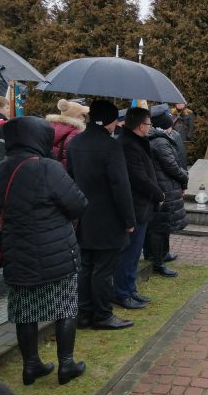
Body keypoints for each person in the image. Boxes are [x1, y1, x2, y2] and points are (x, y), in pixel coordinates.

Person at [0, 116, 88, 386]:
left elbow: (0, 206)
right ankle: (66, 365)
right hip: (55, 250)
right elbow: (77, 204)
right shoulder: (48, 167)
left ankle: (31, 366)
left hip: (16, 252)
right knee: (65, 307)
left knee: (25, 311)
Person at [67, 100, 136, 330]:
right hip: (108, 218)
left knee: (85, 266)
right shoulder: (111, 146)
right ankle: (103, 315)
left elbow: (70, 178)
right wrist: (129, 220)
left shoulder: (75, 143)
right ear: (109, 121)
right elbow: (120, 186)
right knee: (104, 270)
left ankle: (84, 314)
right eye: (115, 119)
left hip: (83, 215)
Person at [113, 107, 165, 309]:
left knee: (134, 253)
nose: (151, 128)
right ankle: (122, 292)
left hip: (142, 205)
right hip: (135, 205)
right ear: (141, 126)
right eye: (149, 124)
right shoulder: (128, 145)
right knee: (129, 252)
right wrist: (158, 194)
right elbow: (139, 177)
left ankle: (130, 288)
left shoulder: (137, 142)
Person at [145, 111, 188, 277]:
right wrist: (185, 176)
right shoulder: (161, 142)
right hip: (164, 187)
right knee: (159, 226)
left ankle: (162, 255)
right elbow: (172, 166)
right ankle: (158, 262)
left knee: (163, 225)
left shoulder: (159, 139)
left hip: (165, 186)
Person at [45, 99, 89, 169]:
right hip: (68, 172)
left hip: (50, 169)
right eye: (83, 115)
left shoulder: (49, 127)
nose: (84, 118)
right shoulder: (77, 133)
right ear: (77, 116)